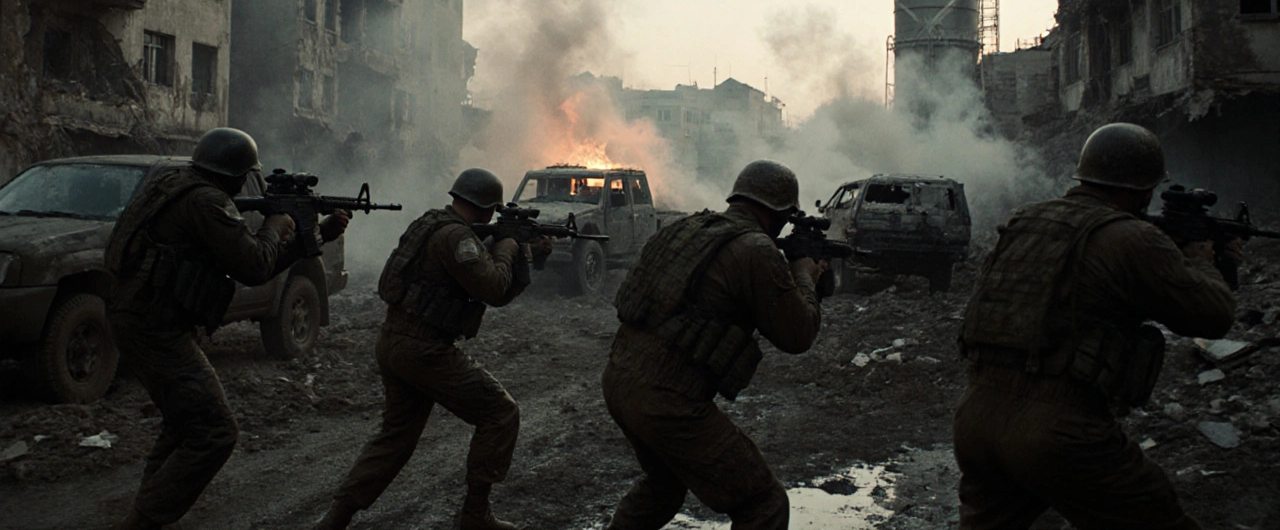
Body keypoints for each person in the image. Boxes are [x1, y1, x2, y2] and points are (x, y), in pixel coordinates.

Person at [954, 122, 1240, 530]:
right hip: (1059, 429)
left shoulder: (1026, 221)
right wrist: (1201, 259)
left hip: (976, 419)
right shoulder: (1133, 238)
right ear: (1144, 190)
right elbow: (1214, 316)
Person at [106, 127, 350, 530]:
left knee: (185, 422)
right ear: (236, 174)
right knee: (216, 431)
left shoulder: (176, 183)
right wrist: (277, 223)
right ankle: (141, 522)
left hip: (145, 317)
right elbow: (254, 265)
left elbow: (255, 267)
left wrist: (319, 233)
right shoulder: (207, 202)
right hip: (155, 327)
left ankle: (148, 512)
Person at [315, 168, 553, 530]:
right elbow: (492, 287)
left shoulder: (432, 224)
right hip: (423, 349)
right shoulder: (458, 239)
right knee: (500, 413)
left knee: (396, 438)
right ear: (486, 208)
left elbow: (492, 288)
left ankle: (335, 518)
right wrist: (509, 249)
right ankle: (475, 516)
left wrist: (526, 255)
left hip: (395, 340)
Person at [602, 159, 824, 530]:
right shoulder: (756, 250)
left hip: (619, 379)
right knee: (764, 504)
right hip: (668, 400)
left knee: (664, 485)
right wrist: (804, 277)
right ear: (778, 213)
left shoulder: (690, 228)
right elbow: (797, 335)